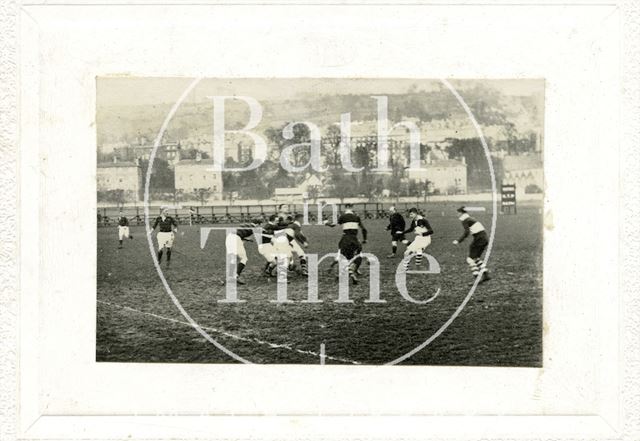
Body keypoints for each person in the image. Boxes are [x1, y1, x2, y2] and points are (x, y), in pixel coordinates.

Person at [327, 204, 368, 284]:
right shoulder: (357, 217)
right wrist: (365, 239)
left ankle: (349, 273)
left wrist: (326, 223)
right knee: (358, 256)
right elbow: (364, 229)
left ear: (345, 208)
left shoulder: (343, 217)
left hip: (345, 239)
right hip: (355, 239)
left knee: (344, 258)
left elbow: (332, 225)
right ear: (352, 208)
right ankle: (352, 271)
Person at [453, 206, 491, 284]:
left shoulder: (465, 220)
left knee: (470, 259)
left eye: (458, 213)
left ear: (461, 213)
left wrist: (458, 241)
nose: (457, 214)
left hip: (479, 239)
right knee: (475, 258)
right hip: (484, 238)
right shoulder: (470, 219)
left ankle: (477, 278)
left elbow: (467, 232)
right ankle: (485, 274)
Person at [225, 218, 262, 285]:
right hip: (236, 239)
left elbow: (240, 232)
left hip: (229, 237)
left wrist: (245, 239)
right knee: (244, 258)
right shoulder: (254, 228)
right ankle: (235, 276)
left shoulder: (245, 224)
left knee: (233, 258)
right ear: (257, 224)